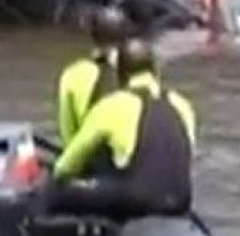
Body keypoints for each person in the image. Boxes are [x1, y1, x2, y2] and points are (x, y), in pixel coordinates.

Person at [51, 38, 197, 218]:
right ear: (156, 71)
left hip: (137, 201)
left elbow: (65, 167)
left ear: (120, 74)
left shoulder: (113, 105)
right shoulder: (182, 105)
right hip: (181, 199)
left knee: (53, 191)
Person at [57, 6, 128, 147]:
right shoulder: (139, 70)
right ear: (126, 37)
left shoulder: (72, 74)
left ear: (92, 35)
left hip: (84, 155)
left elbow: (67, 130)